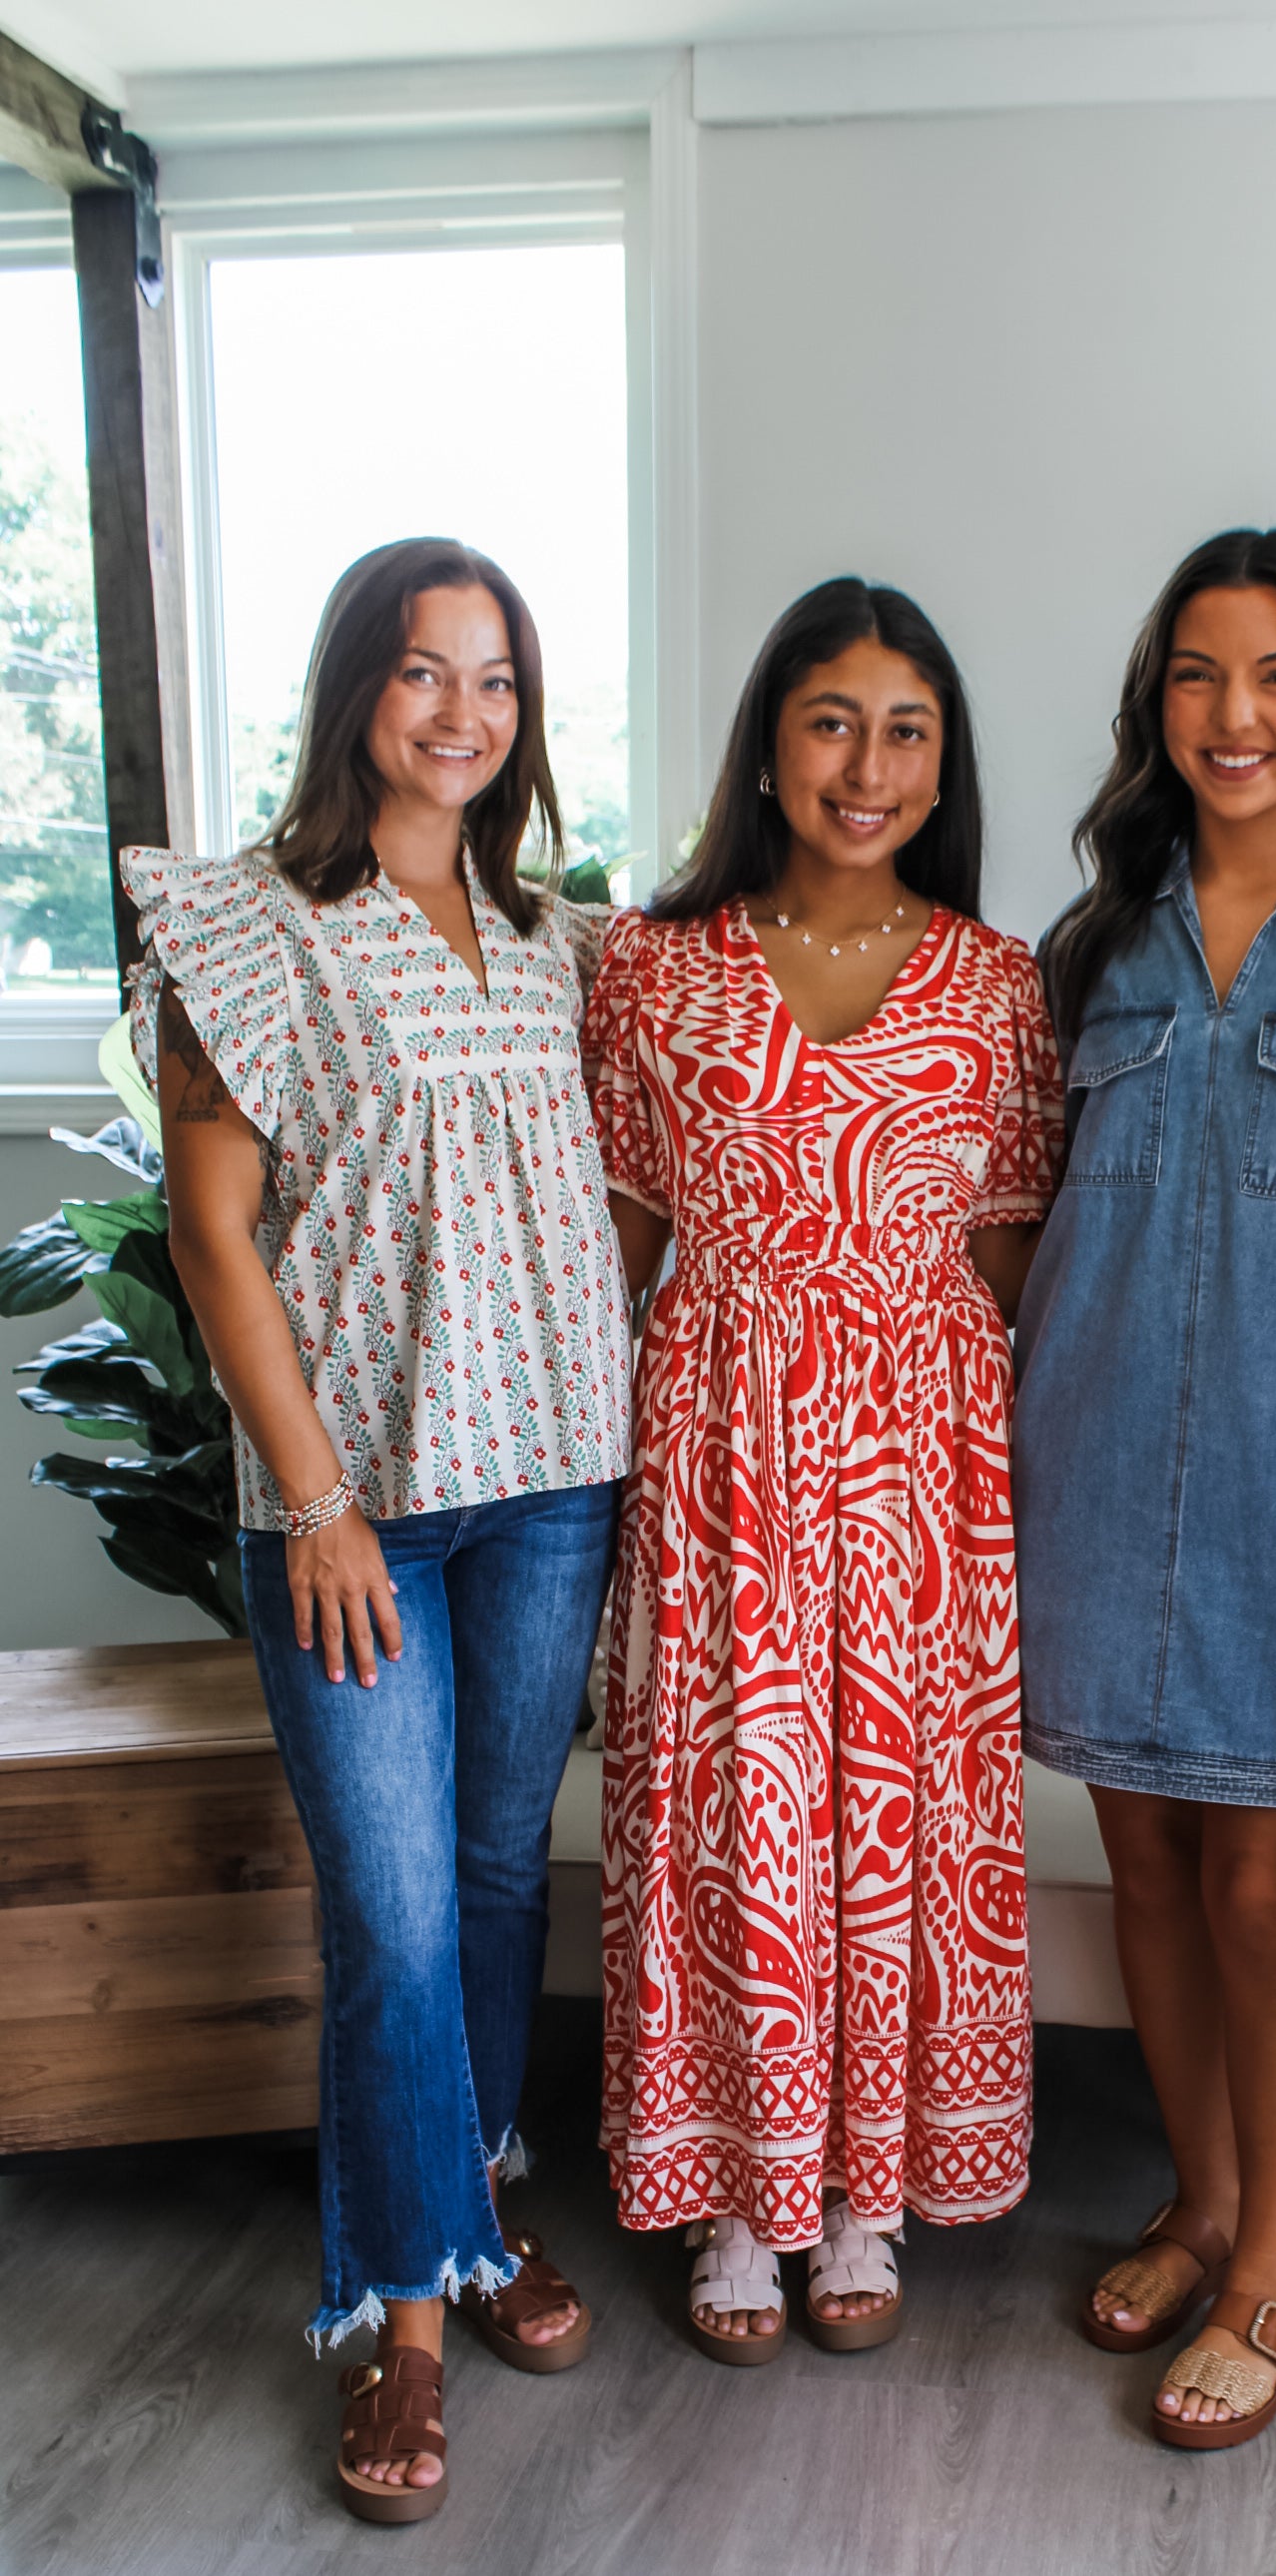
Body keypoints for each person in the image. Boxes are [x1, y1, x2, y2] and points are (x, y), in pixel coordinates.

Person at [127, 538, 628, 2527]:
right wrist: (320, 1505)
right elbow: (209, 1233)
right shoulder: (249, 927)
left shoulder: (559, 938)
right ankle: (407, 2320)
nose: (461, 713)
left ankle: (477, 2211)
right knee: (397, 1915)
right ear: (356, 688)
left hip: (552, 1488)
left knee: (499, 1876)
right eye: (424, 671)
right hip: (357, 1520)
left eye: (495, 680)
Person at [583, 576, 1060, 2362]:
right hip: (717, 1453)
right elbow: (617, 1250)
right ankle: (736, 2196)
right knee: (732, 1815)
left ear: (946, 759)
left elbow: (1012, 1263)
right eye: (833, 723)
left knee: (899, 1818)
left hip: (923, 1475)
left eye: (907, 730)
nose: (869, 768)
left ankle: (869, 2194)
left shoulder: (1000, 984)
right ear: (770, 744)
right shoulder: (653, 971)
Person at [1012, 528, 1276, 2451]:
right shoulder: (1093, 944)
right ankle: (1198, 2204)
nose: (1236, 714)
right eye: (1197, 673)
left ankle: (1275, 2267)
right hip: (1096, 1462)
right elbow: (1023, 1222)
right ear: (1155, 704)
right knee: (1151, 1867)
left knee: (1272, 1885)